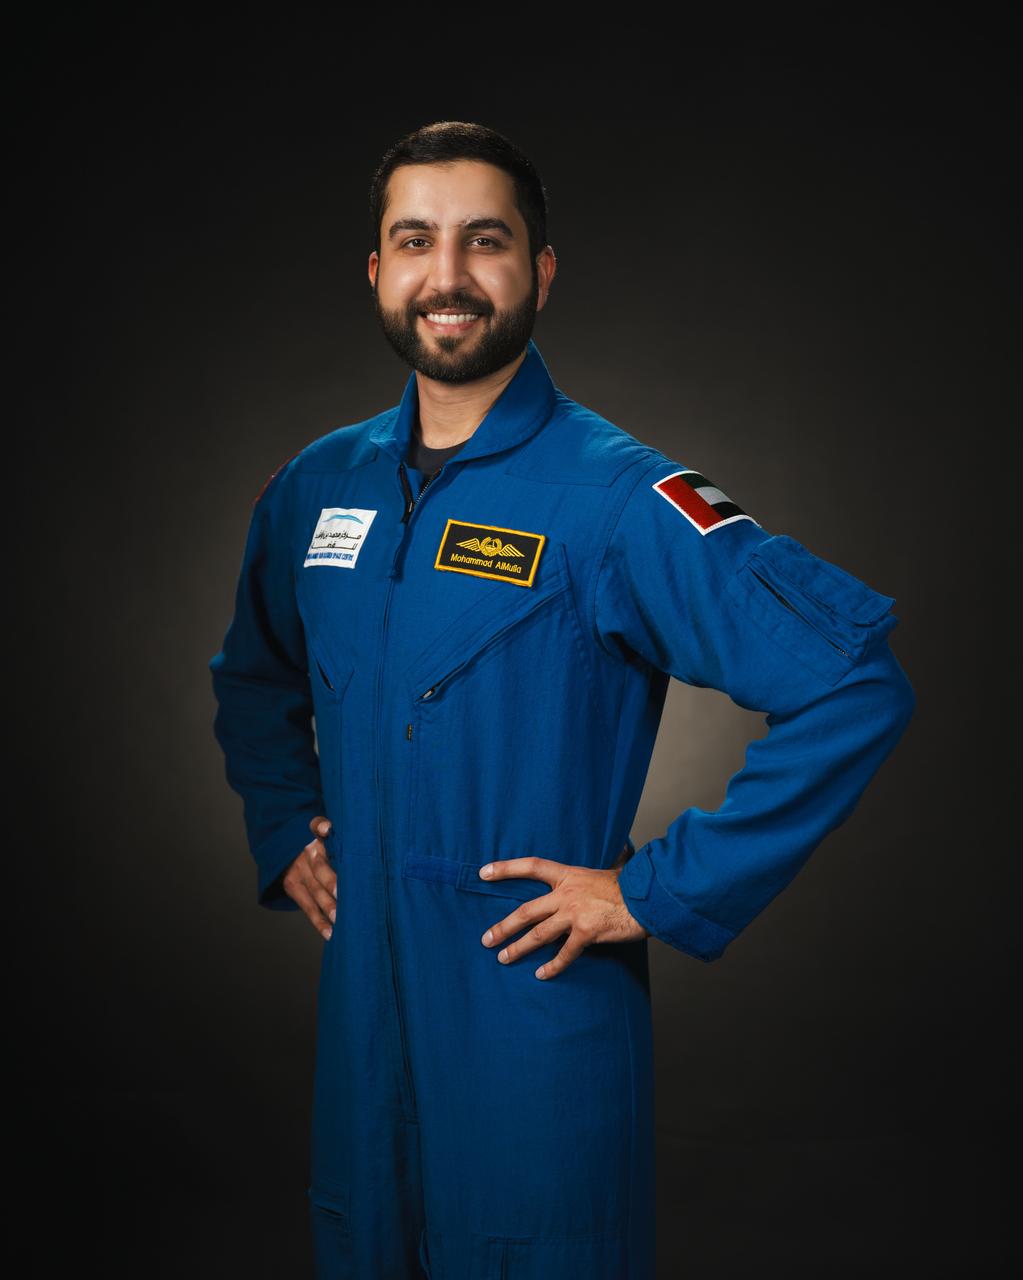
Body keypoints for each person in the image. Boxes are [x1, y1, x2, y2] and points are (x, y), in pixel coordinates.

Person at [208, 120, 915, 1279]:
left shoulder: (620, 496)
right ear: (377, 271)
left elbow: (853, 681)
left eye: (485, 241)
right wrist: (287, 824)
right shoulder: (314, 488)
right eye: (415, 240)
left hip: (533, 1021)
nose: (448, 276)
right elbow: (252, 673)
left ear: (540, 269)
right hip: (363, 1033)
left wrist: (656, 889)